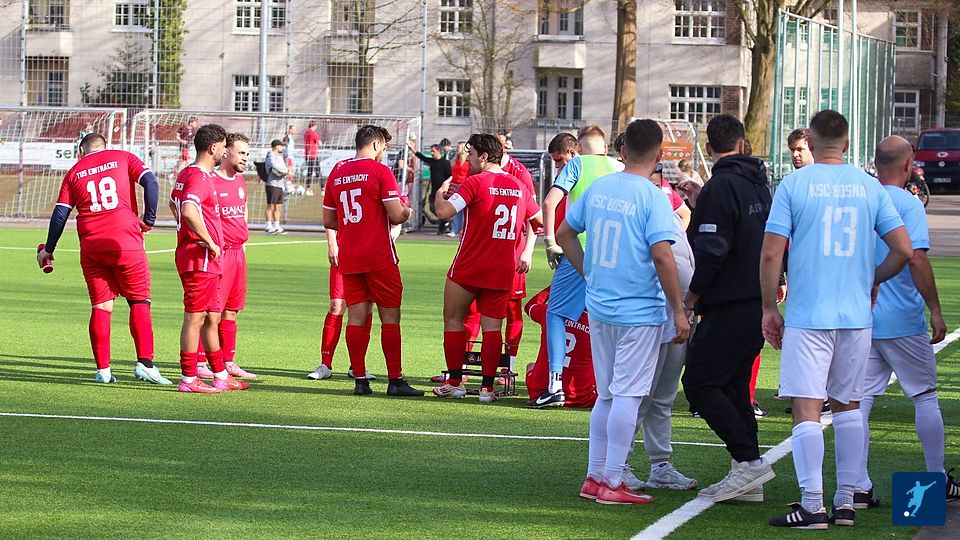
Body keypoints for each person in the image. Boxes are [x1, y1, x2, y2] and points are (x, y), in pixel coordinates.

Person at [761, 110, 912, 529]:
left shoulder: (794, 184)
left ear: (810, 142)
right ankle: (845, 500)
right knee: (848, 407)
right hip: (855, 316)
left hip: (810, 315)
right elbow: (903, 249)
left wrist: (769, 306)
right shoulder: (869, 186)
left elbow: (772, 252)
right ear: (846, 143)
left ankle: (813, 504)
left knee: (806, 406)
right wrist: (872, 278)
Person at [556, 118, 690, 505]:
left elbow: (564, 233)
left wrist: (589, 272)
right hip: (639, 311)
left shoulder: (600, 187)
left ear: (624, 150)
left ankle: (595, 475)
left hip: (601, 305)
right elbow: (663, 255)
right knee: (628, 396)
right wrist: (678, 311)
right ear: (659, 154)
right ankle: (613, 480)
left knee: (607, 395)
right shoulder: (653, 197)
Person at [856, 135, 959, 508]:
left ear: (875, 162)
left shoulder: (861, 199)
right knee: (925, 395)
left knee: (860, 400)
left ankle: (857, 485)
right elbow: (915, 258)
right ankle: (935, 480)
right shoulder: (908, 203)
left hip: (862, 317)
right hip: (902, 319)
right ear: (908, 164)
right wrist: (935, 310)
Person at [679, 114, 775, 503]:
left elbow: (713, 250)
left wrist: (690, 299)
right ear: (742, 143)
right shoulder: (759, 184)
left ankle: (749, 461)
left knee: (699, 383)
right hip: (755, 301)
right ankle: (746, 472)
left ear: (708, 146)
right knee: (733, 386)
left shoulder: (722, 186)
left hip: (729, 303)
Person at [38, 133, 170, 385]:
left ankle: (103, 371)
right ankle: (145, 364)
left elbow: (60, 214)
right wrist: (149, 220)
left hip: (92, 247)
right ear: (105, 146)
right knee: (139, 301)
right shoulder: (123, 157)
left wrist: (49, 248)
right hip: (125, 242)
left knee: (101, 306)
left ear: (80, 152)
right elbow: (151, 183)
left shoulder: (74, 172)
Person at [431, 133, 540, 403]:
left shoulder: (475, 182)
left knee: (453, 320)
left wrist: (439, 194)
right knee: (493, 328)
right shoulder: (519, 186)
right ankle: (487, 390)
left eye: (471, 154)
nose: (467, 159)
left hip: (469, 265)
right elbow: (538, 219)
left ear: (484, 156)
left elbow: (444, 212)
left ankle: (454, 383)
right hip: (502, 269)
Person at [321, 125, 422, 397]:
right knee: (390, 317)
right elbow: (397, 214)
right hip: (379, 256)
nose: (383, 153)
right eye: (384, 147)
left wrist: (354, 225)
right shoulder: (380, 171)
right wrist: (408, 211)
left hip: (350, 257)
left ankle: (360, 380)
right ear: (376, 144)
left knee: (356, 316)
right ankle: (395, 380)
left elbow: (329, 219)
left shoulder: (337, 172)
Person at [537, 125, 623, 408]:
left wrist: (550, 241)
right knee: (608, 317)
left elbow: (549, 203)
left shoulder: (577, 164)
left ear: (579, 149)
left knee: (555, 313)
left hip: (580, 250)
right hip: (615, 254)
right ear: (605, 147)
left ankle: (555, 385)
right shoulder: (619, 167)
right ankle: (614, 385)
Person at [170, 123, 250, 393]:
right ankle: (188, 379)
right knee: (195, 319)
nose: (225, 151)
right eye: (223, 146)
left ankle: (220, 374)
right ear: (213, 147)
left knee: (205, 317)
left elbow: (174, 202)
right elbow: (188, 209)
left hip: (201, 257)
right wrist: (208, 239)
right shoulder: (199, 177)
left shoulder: (188, 173)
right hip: (200, 258)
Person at [192, 133, 257, 380]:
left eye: (247, 154)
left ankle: (228, 361)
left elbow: (243, 210)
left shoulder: (240, 181)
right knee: (212, 312)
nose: (245, 158)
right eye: (241, 153)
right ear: (226, 151)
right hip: (220, 254)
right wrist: (200, 236)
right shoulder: (208, 179)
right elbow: (181, 206)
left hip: (238, 253)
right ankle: (200, 362)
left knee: (232, 310)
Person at [306, 226, 376, 382]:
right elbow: (330, 218)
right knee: (336, 306)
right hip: (344, 250)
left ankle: (357, 367)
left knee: (366, 307)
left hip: (369, 251)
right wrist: (332, 244)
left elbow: (393, 221)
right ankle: (325, 364)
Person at [523, 286, 596, 408]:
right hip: (582, 398)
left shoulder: (549, 312)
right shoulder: (598, 324)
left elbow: (530, 306)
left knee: (531, 366)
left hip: (539, 393)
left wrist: (554, 286)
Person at [409, 141, 453, 235]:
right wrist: (411, 148)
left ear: (438, 151)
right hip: (434, 190)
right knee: (432, 208)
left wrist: (446, 187)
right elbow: (421, 157)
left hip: (442, 191)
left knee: (441, 208)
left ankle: (443, 226)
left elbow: (450, 176)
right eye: (431, 151)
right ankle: (445, 221)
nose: (431, 153)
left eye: (433, 151)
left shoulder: (445, 163)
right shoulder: (432, 161)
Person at [264, 139, 288, 235]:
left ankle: (276, 226)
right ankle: (268, 226)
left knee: (278, 206)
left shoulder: (280, 156)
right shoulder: (271, 155)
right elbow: (274, 165)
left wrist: (285, 170)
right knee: (270, 205)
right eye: (280, 146)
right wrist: (285, 171)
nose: (282, 147)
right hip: (272, 184)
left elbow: (283, 167)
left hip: (280, 185)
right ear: (276, 146)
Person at [448, 142, 470, 236]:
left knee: (464, 209)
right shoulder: (455, 160)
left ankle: (463, 230)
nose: (457, 148)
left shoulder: (468, 161)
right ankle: (455, 230)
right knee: (456, 209)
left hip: (464, 185)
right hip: (454, 185)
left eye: (459, 147)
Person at [304, 120, 322, 196]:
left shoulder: (306, 133)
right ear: (314, 126)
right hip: (313, 155)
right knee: (318, 172)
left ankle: (308, 188)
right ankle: (323, 188)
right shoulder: (314, 134)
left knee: (309, 172)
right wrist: (317, 145)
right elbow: (320, 143)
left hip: (307, 155)